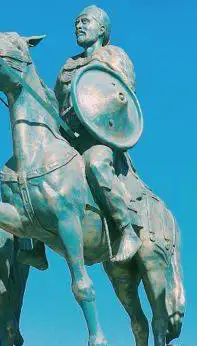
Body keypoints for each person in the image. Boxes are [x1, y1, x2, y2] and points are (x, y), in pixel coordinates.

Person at [51, 5, 144, 263]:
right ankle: (33, 243)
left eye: (85, 21)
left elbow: (123, 98)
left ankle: (127, 229)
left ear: (102, 29)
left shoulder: (114, 56)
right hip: (69, 135)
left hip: (99, 137)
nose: (78, 26)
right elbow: (56, 102)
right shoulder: (68, 65)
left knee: (95, 162)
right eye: (76, 23)